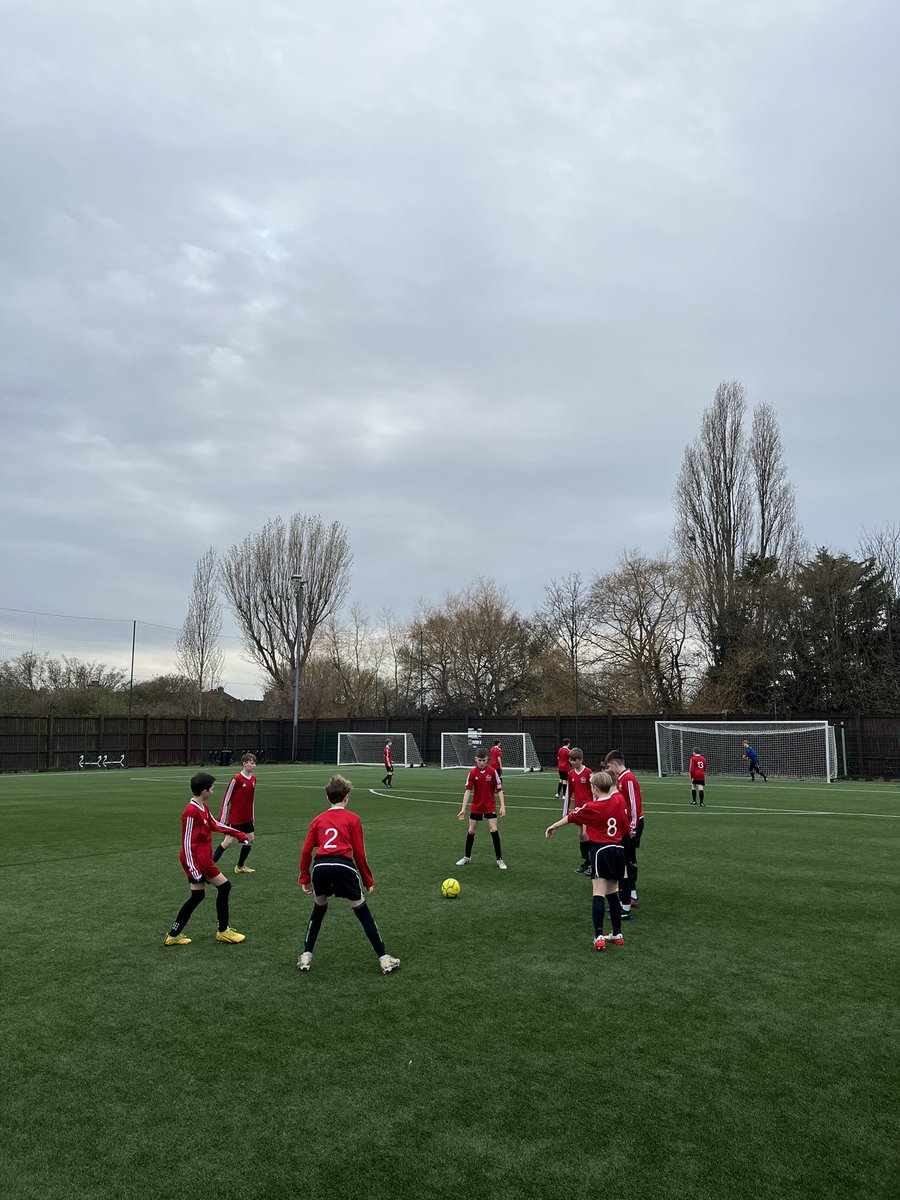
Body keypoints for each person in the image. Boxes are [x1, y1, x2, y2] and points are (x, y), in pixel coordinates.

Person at [297, 775, 400, 975]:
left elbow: (305, 851)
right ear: (347, 797)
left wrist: (305, 878)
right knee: (362, 912)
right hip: (343, 866)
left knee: (319, 910)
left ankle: (306, 955)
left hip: (321, 867)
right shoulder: (353, 818)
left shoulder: (318, 820)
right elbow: (359, 853)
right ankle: (384, 959)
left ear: (328, 798)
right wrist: (368, 879)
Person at [544, 770, 628, 951]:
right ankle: (617, 933)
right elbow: (625, 826)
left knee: (598, 892)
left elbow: (572, 816)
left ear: (595, 788)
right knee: (612, 891)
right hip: (618, 850)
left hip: (601, 851)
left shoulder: (592, 807)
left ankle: (598, 936)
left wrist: (554, 826)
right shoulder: (619, 800)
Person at [164, 772, 250, 946]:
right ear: (204, 791)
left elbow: (215, 824)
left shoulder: (202, 808)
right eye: (212, 788)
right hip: (196, 861)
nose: (213, 791)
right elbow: (187, 843)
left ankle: (173, 935)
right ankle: (223, 931)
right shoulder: (190, 812)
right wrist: (194, 869)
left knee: (197, 896)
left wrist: (238, 834)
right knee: (225, 887)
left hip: (201, 860)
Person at [604, 750, 643, 916]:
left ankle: (630, 897)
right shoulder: (621, 778)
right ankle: (629, 896)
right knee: (626, 860)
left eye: (609, 766)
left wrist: (633, 827)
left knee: (628, 861)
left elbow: (634, 804)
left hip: (632, 825)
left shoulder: (628, 778)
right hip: (626, 825)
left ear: (614, 763)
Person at [456, 751, 507, 869]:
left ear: (487, 759)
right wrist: (463, 809)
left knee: (494, 829)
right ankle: (467, 857)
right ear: (475, 759)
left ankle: (499, 859)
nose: (482, 763)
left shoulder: (493, 772)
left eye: (484, 760)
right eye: (479, 760)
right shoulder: (472, 772)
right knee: (471, 830)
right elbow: (468, 790)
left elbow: (499, 790)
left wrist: (503, 806)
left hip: (490, 805)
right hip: (476, 806)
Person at [213, 752, 258, 873]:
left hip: (247, 817)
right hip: (236, 818)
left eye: (255, 763)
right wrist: (222, 818)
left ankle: (240, 866)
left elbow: (251, 800)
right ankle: (209, 867)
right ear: (244, 764)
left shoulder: (254, 779)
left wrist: (252, 815)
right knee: (227, 842)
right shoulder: (236, 779)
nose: (254, 765)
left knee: (250, 839)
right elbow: (226, 798)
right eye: (252, 763)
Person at [565, 748, 594, 875]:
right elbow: (568, 793)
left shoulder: (588, 772)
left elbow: (594, 791)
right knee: (581, 835)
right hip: (577, 810)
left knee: (587, 834)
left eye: (574, 760)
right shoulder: (571, 774)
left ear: (581, 759)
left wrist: (594, 806)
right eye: (570, 760)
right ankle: (586, 862)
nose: (572, 762)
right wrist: (565, 811)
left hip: (588, 809)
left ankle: (593, 864)